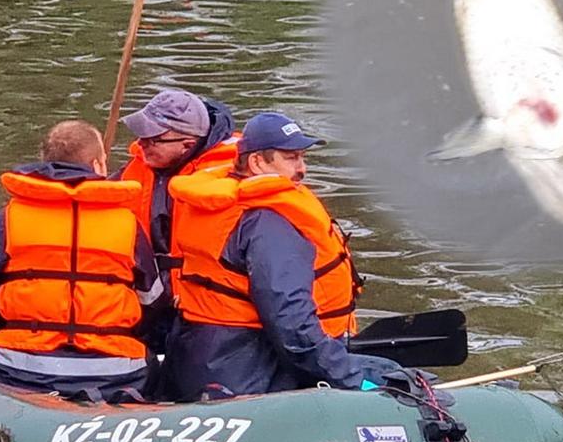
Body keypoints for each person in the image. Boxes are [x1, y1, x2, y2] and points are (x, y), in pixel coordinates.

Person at [164, 111, 400, 400]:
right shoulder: (267, 222)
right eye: (290, 158)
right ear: (257, 162)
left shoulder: (213, 204)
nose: (301, 169)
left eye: (302, 157)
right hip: (250, 372)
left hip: (201, 358)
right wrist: (351, 379)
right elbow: (292, 325)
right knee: (397, 377)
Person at [0, 120, 164, 399]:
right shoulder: (127, 223)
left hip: (20, 369)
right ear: (98, 165)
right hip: (116, 373)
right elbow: (151, 301)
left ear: (44, 163)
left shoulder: (8, 218)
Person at [116, 89, 239, 293]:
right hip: (148, 291)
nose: (141, 144)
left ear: (187, 145)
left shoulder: (231, 177)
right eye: (141, 136)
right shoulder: (138, 167)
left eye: (152, 139)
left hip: (200, 299)